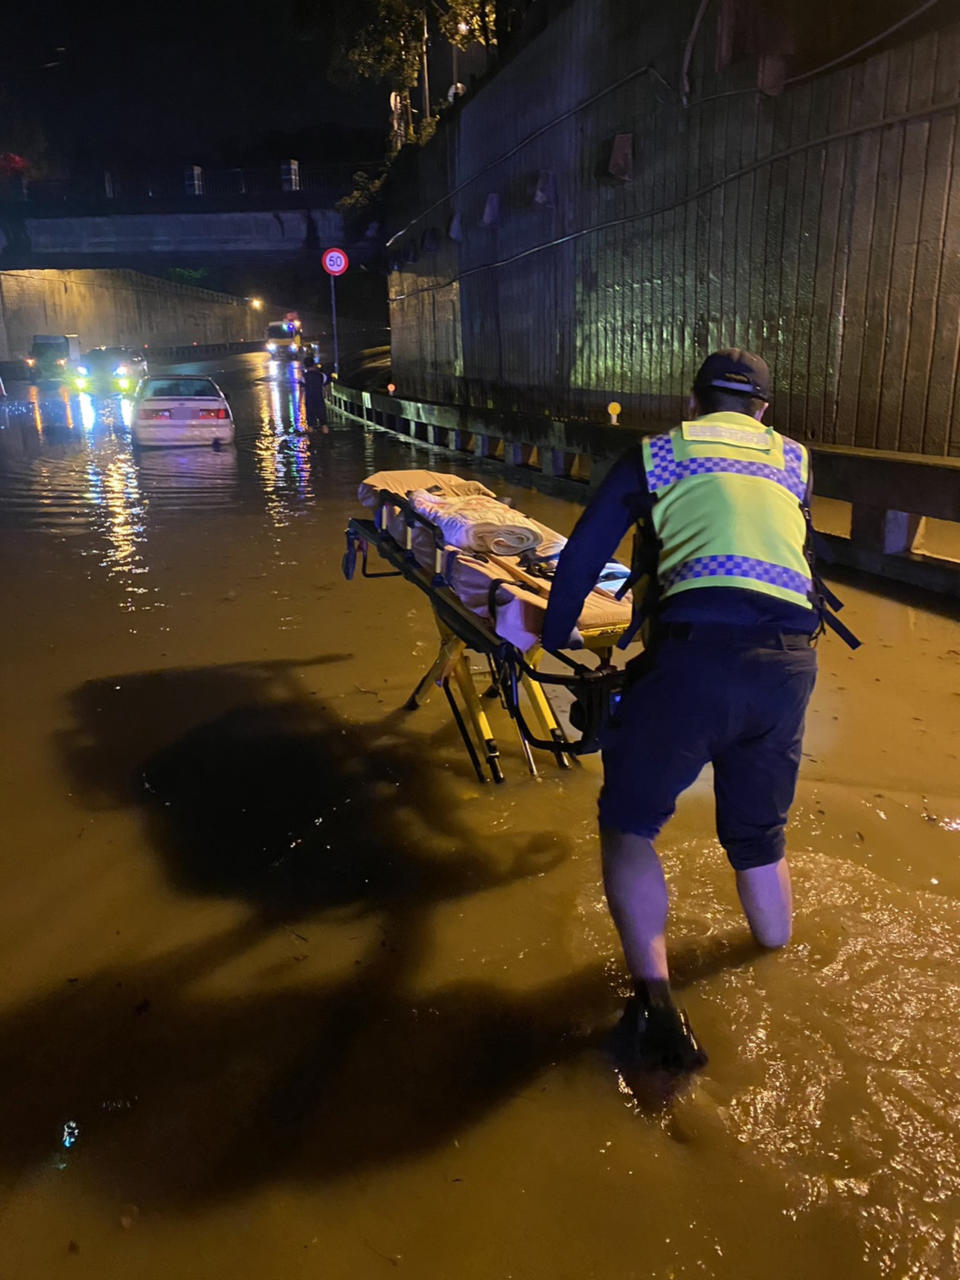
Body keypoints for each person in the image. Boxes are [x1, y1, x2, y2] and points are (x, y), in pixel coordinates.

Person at [542, 349, 847, 1074]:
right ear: (764, 411)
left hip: (693, 660)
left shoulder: (658, 453)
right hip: (789, 664)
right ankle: (772, 954)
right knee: (759, 835)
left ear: (692, 402)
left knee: (628, 824)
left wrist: (554, 638)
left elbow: (586, 555)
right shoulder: (795, 460)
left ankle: (654, 999)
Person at [300, 355, 328, 430]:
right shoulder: (322, 375)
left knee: (310, 423)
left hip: (309, 402)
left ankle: (311, 439)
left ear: (305, 366)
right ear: (314, 364)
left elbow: (302, 390)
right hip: (320, 400)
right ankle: (327, 439)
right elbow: (326, 388)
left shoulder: (304, 377)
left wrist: (300, 403)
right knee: (324, 422)